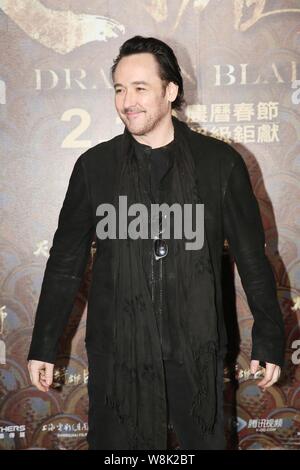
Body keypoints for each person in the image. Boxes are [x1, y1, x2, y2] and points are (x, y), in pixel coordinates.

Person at [27, 36, 285, 450]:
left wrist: (270, 338)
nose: (128, 100)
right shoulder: (95, 167)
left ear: (170, 92)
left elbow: (253, 259)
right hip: (117, 354)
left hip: (196, 351)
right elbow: (64, 262)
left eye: (140, 88)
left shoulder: (220, 164)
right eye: (119, 88)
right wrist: (43, 344)